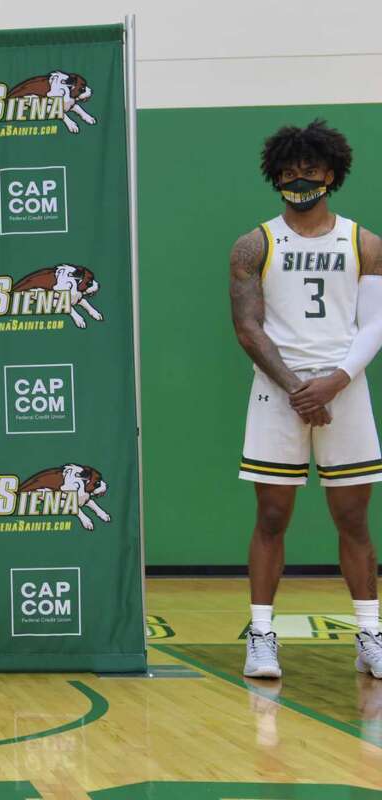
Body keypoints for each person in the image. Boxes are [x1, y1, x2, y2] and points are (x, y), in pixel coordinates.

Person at [230, 119, 382, 680]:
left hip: (344, 388)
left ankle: (370, 633)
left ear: (332, 175)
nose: (301, 181)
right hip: (279, 391)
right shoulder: (255, 244)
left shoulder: (364, 243)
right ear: (275, 177)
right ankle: (261, 635)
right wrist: (299, 389)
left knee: (354, 518)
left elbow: (375, 324)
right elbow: (248, 328)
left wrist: (335, 380)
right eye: (290, 172)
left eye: (311, 171)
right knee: (272, 515)